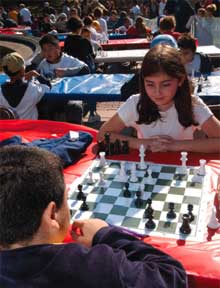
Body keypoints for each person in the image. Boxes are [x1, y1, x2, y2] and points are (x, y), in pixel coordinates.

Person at [0, 145, 188, 287]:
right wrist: (105, 235)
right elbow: (173, 276)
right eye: (67, 198)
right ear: (52, 215)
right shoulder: (98, 267)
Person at [98, 45, 220, 153]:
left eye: (166, 84)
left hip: (184, 170)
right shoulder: (136, 103)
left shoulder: (193, 104)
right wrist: (145, 144)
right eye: (150, 84)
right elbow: (102, 135)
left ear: (180, 80)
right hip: (146, 169)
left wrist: (174, 146)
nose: (157, 92)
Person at [38, 34, 90, 124]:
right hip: (52, 98)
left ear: (58, 48)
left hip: (71, 96)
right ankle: (48, 134)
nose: (47, 53)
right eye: (44, 50)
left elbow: (86, 69)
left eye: (50, 49)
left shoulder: (69, 60)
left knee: (75, 107)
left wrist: (66, 72)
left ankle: (75, 135)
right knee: (41, 106)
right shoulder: (42, 65)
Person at [0, 52, 50, 120]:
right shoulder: (33, 89)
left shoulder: (0, 91)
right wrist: (36, 75)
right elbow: (48, 87)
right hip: (29, 128)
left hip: (10, 129)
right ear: (22, 70)